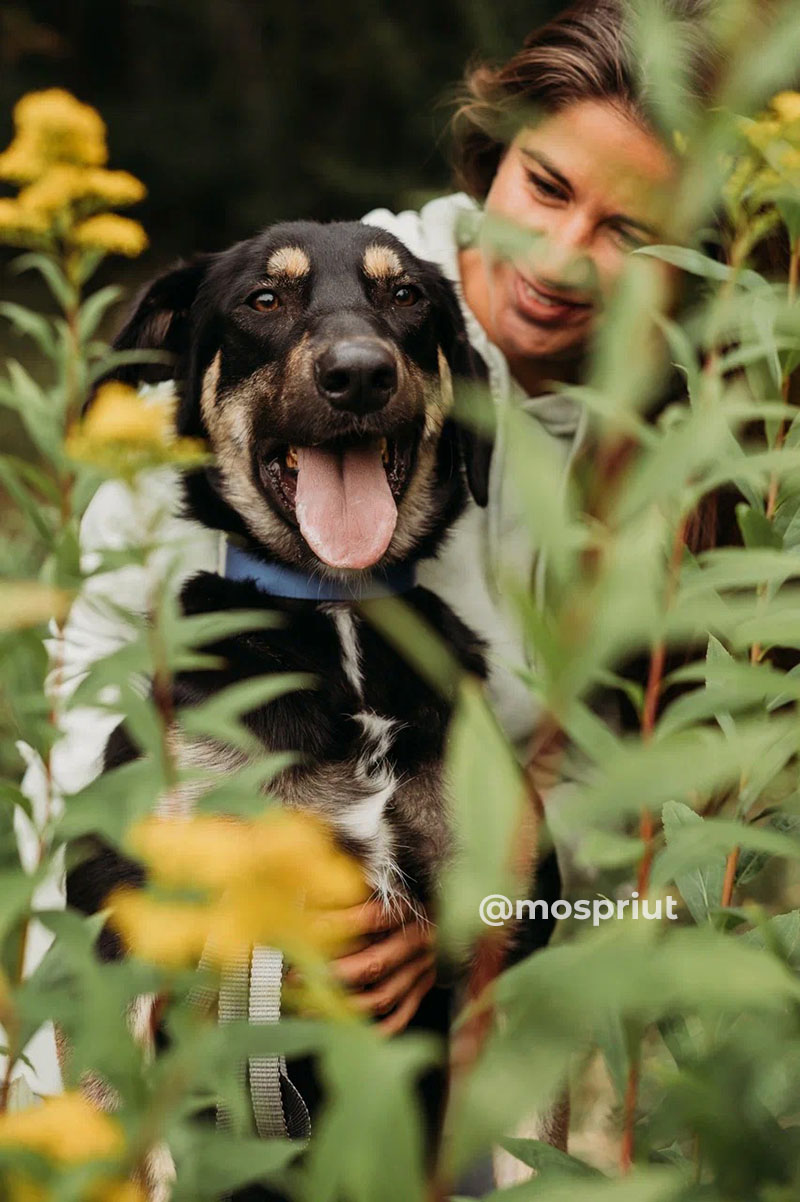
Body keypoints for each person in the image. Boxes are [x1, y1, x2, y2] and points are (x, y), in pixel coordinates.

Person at [17, 0, 719, 1191]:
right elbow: (87, 768)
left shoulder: (686, 451)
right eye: (546, 188)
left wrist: (467, 925)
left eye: (627, 230)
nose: (561, 252)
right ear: (488, 152)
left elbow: (630, 860)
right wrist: (53, 1084)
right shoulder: (276, 360)